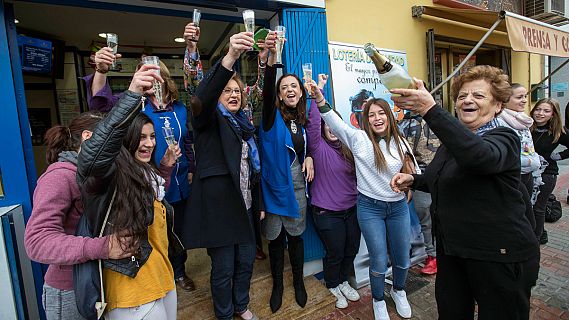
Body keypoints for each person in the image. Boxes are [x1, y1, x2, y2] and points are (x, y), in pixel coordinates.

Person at [390, 65, 539, 320]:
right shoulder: (453, 143)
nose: (467, 100)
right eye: (461, 96)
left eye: (478, 96)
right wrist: (414, 180)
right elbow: (447, 178)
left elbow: (479, 158)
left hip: (497, 255)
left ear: (498, 106)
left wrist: (430, 110)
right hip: (454, 251)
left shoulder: (504, 138)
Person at [85, 27, 201, 290]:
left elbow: (188, 141)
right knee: (153, 230)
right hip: (146, 181)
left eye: (156, 73)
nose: (152, 78)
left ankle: (179, 271)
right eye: (145, 73)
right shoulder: (135, 105)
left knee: (177, 230)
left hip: (179, 179)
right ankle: (160, 274)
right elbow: (101, 107)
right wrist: (101, 72)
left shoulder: (180, 108)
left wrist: (191, 166)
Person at [76, 64, 183, 319]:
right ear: (125, 141)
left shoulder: (144, 173)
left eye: (152, 136)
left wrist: (166, 169)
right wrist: (133, 93)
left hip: (159, 273)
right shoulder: (107, 175)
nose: (149, 144)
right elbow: (92, 158)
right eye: (142, 137)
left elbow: (151, 202)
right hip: (132, 286)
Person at [307, 83, 415, 320]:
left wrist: (409, 184)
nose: (377, 118)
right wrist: (319, 99)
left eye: (381, 113)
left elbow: (412, 173)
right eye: (371, 114)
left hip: (397, 207)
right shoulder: (358, 139)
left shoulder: (401, 141)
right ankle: (378, 301)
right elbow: (333, 122)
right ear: (365, 119)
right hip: (370, 208)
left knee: (402, 256)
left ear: (389, 116)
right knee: (377, 259)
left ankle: (398, 291)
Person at [181, 31, 263, 320]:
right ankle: (225, 313)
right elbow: (202, 94)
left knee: (245, 263)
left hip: (246, 206)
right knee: (224, 268)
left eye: (237, 92)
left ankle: (241, 304)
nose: (233, 95)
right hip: (219, 211)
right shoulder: (207, 120)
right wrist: (230, 57)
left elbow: (251, 172)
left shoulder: (245, 126)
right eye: (226, 91)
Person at [23, 112, 128, 320]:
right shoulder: (60, 176)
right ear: (88, 137)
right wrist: (104, 247)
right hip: (69, 292)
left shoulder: (93, 175)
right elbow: (37, 241)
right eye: (112, 140)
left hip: (94, 282)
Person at [260, 31, 314, 313]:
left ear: (300, 91)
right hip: (273, 190)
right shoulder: (270, 118)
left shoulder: (302, 119)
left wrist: (310, 158)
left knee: (296, 238)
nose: (289, 90)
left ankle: (299, 282)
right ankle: (278, 285)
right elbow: (267, 91)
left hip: (297, 190)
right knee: (276, 240)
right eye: (284, 88)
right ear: (279, 96)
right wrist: (273, 59)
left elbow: (312, 143)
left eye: (294, 86)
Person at [305, 74, 360, 309]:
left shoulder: (350, 148)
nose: (332, 130)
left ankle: (344, 282)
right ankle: (332, 285)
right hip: (327, 212)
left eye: (335, 125)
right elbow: (314, 122)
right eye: (328, 126)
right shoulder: (317, 147)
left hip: (352, 209)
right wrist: (319, 93)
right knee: (335, 251)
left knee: (352, 249)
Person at [400, 113, 440, 275]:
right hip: (419, 177)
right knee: (425, 217)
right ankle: (433, 256)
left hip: (442, 174)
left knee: (444, 216)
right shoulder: (400, 124)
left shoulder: (437, 118)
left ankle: (444, 254)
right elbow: (402, 155)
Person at [498, 83, 540, 235]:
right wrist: (532, 162)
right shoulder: (500, 122)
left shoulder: (523, 120)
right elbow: (507, 157)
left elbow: (529, 147)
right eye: (519, 97)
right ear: (505, 100)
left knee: (527, 214)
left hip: (527, 175)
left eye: (525, 96)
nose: (523, 100)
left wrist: (534, 160)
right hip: (513, 177)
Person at [530, 98, 569, 244]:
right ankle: (540, 232)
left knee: (539, 207)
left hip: (547, 173)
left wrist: (559, 155)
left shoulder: (558, 131)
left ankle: (537, 238)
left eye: (546, 111)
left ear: (553, 114)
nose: (540, 113)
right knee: (529, 206)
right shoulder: (526, 126)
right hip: (528, 172)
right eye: (538, 109)